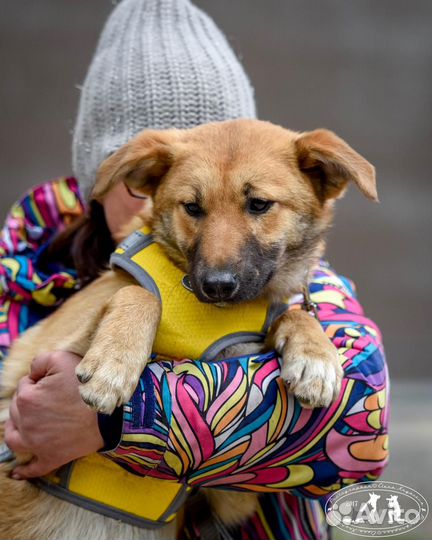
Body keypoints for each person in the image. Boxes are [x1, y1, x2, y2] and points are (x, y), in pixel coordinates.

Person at [0, 0, 389, 538]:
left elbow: (363, 422)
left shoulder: (310, 288)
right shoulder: (19, 275)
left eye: (255, 204)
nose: (219, 260)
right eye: (180, 193)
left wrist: (112, 421)